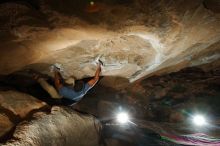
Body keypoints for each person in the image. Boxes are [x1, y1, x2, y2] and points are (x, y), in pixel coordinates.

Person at [33, 61, 102, 103]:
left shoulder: (65, 92)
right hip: (71, 94)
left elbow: (57, 84)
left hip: (61, 99)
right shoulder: (85, 89)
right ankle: (51, 77)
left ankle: (39, 79)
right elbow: (96, 79)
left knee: (50, 89)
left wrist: (55, 70)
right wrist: (99, 66)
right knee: (71, 79)